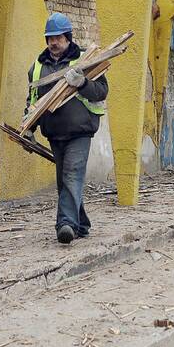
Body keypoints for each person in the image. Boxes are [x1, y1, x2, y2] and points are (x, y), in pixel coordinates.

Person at [27, 13, 108, 244]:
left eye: (58, 37)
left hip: (80, 130)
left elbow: (101, 92)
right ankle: (81, 224)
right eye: (50, 38)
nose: (54, 42)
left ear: (68, 37)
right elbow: (33, 99)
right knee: (65, 181)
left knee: (72, 174)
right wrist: (30, 126)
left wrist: (82, 83)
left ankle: (66, 225)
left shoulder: (85, 60)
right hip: (54, 131)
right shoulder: (37, 66)